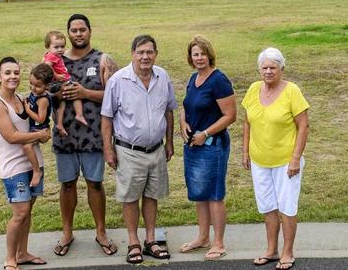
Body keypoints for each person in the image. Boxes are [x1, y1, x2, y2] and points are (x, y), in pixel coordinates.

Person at [101, 34, 178, 264]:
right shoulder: (118, 80)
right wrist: (108, 149)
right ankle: (134, 242)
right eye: (141, 52)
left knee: (152, 195)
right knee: (131, 197)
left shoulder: (162, 76)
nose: (145, 56)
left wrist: (170, 141)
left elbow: (169, 111)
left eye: (149, 52)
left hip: (156, 149)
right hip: (128, 150)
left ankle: (151, 240)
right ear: (133, 53)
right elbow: (106, 117)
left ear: (156, 54)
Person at [51, 14, 119, 257]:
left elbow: (115, 97)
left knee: (95, 184)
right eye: (74, 30)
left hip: (93, 136)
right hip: (65, 134)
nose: (78, 34)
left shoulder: (102, 60)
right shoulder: (56, 61)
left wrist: (84, 92)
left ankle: (101, 232)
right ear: (68, 33)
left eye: (82, 30)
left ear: (90, 31)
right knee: (67, 184)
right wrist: (58, 93)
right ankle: (67, 232)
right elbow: (44, 91)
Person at [241, 47, 310, 270]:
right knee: (267, 206)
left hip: (285, 161)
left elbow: (303, 126)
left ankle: (287, 252)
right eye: (264, 67)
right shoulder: (253, 89)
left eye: (273, 67)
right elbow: (247, 122)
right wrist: (245, 152)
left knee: (287, 207)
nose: (268, 71)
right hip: (259, 160)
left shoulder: (292, 91)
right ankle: (271, 250)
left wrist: (295, 158)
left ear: (281, 69)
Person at [0, 57, 51, 270]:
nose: (13, 76)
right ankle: (10, 258)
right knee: (20, 213)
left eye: (16, 72)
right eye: (7, 73)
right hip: (13, 167)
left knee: (28, 212)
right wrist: (39, 134)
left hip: (33, 164)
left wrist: (43, 134)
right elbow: (12, 136)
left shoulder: (22, 98)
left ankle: (22, 253)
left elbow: (35, 125)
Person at [178, 34, 236, 261]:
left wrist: (205, 133)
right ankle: (202, 238)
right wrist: (183, 122)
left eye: (202, 53)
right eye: (195, 54)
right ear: (190, 57)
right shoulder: (194, 78)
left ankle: (218, 243)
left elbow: (230, 115)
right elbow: (186, 105)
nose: (199, 58)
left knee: (214, 195)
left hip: (213, 147)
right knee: (199, 195)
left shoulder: (218, 80)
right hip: (193, 147)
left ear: (209, 54)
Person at [42, 31, 87, 136]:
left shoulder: (52, 55)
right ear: (48, 47)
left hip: (57, 83)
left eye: (62, 47)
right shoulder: (52, 56)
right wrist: (57, 76)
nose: (60, 50)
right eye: (56, 47)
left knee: (62, 104)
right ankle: (79, 114)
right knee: (76, 92)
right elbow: (47, 67)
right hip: (59, 82)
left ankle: (59, 124)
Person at [22, 63, 54, 188]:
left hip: (40, 128)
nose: (33, 88)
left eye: (37, 86)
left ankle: (36, 171)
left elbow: (40, 119)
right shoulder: (35, 94)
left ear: (46, 86)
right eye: (31, 83)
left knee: (27, 147)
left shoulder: (43, 100)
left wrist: (27, 109)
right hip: (34, 128)